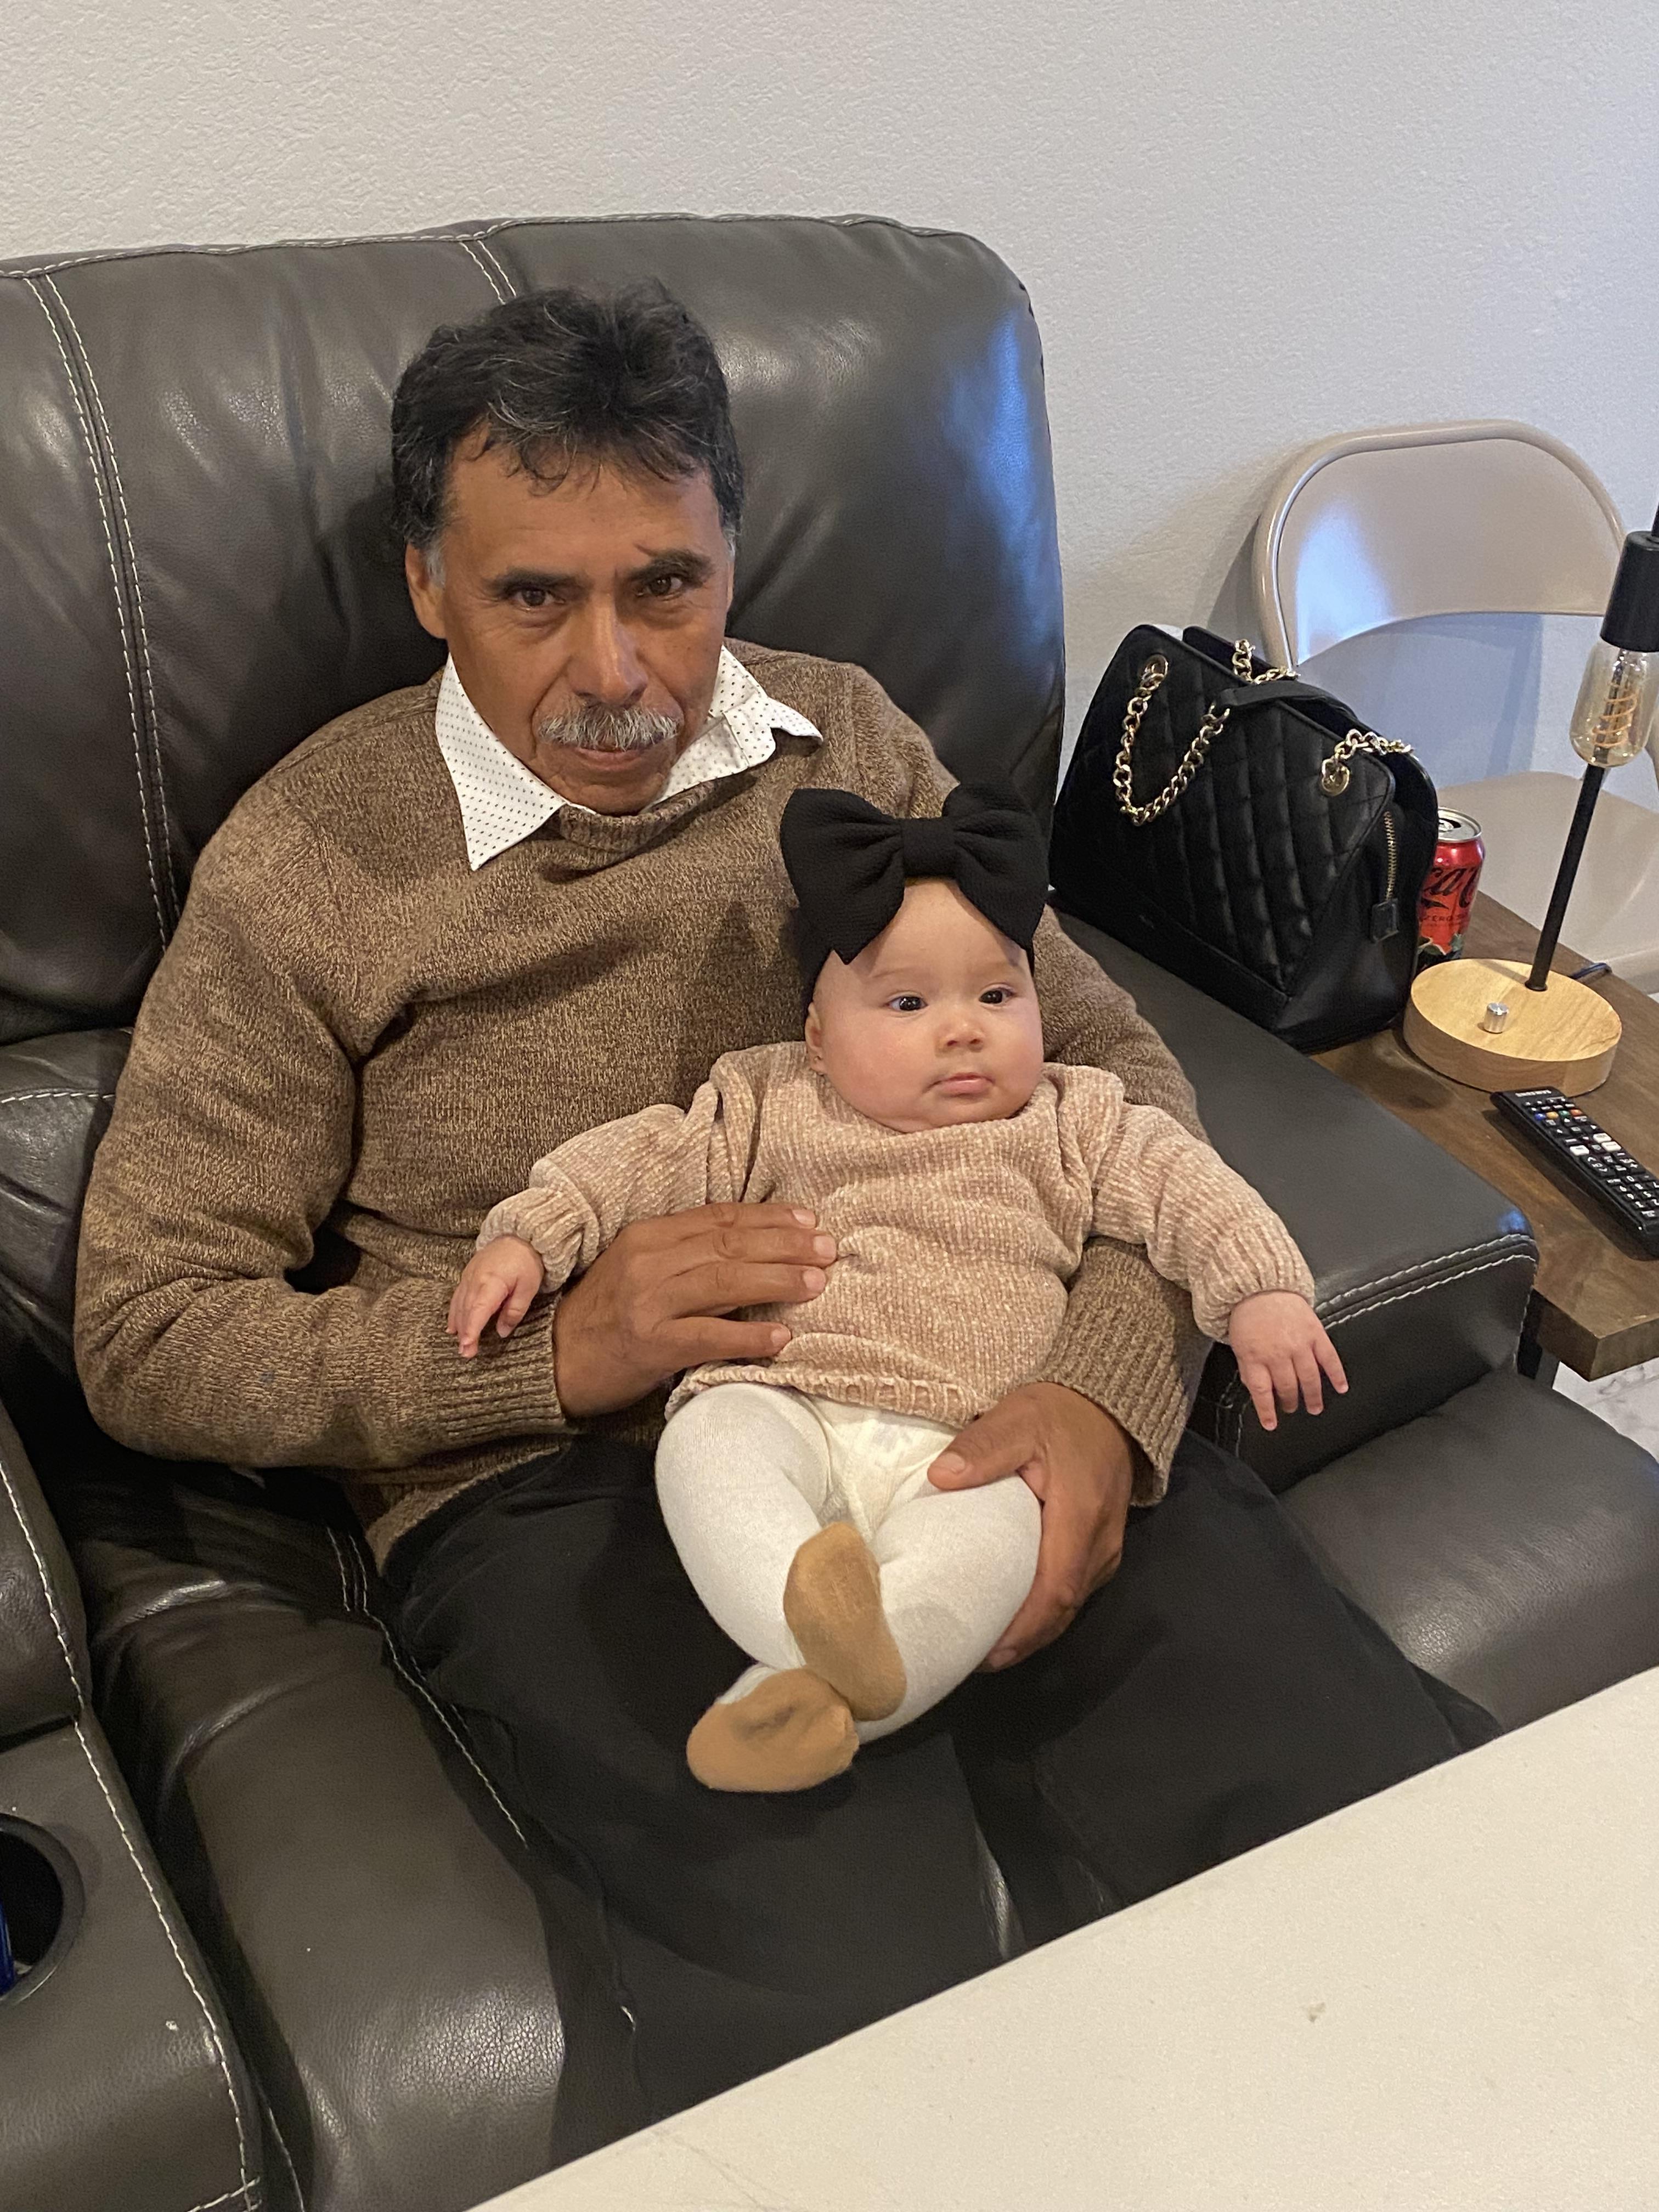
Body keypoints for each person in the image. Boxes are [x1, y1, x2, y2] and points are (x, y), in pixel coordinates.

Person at [74, 283, 1494, 2128]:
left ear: (733, 555)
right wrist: (546, 1354)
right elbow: (148, 1327)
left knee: (1366, 1834)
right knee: (846, 2000)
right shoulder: (309, 863)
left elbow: (1109, 1068)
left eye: (666, 585)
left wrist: (1104, 1380)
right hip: (559, 1485)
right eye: (532, 597)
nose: (615, 671)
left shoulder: (851, 742)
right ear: (425, 581)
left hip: (980, 1369)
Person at [448, 781, 1347, 1793]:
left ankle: (811, 1698)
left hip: (974, 1443)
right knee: (706, 1453)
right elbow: (644, 1159)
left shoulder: (1079, 1118)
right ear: (818, 1039)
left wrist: (1262, 1292)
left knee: (990, 1558)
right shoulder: (772, 1099)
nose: (963, 1030)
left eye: (998, 997)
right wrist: (532, 1235)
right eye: (909, 1004)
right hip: (784, 1395)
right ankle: (803, 1620)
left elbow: (1188, 1186)